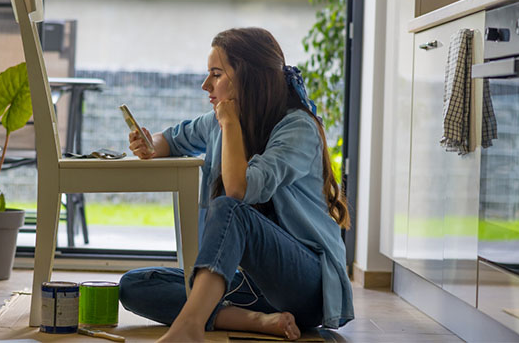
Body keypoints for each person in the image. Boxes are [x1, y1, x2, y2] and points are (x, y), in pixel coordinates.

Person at [118, 27, 353, 342]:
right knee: (135, 285)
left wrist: (229, 123)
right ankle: (257, 321)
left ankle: (189, 326)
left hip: (306, 285)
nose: (206, 86)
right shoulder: (216, 122)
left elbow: (237, 191)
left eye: (216, 74)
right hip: (249, 287)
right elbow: (171, 139)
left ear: (249, 78)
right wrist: (149, 142)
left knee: (231, 209)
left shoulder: (297, 129)